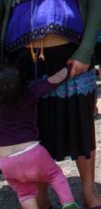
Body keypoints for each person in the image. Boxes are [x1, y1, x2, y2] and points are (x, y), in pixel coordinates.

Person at [0, 0, 101, 208]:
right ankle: (41, 197)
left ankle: (88, 191)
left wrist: (85, 51)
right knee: (35, 132)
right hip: (22, 64)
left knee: (81, 124)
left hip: (72, 58)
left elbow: (95, 7)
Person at [0, 64, 79, 209]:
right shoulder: (30, 93)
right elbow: (54, 80)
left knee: (25, 193)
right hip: (32, 152)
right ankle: (68, 204)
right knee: (55, 175)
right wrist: (70, 68)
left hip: (6, 162)